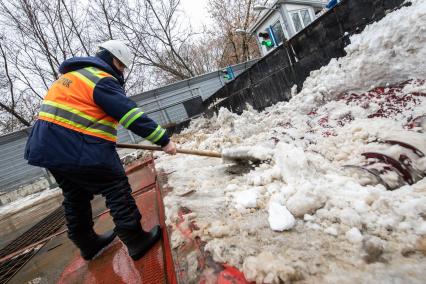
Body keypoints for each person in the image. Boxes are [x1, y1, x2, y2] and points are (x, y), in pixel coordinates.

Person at [24, 40, 177, 261]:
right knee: (115, 184)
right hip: (74, 144)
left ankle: (87, 243)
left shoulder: (71, 78)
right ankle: (135, 239)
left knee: (75, 194)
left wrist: (97, 137)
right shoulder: (100, 79)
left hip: (48, 148)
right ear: (113, 59)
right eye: (122, 66)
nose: (122, 71)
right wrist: (164, 140)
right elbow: (130, 115)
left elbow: (77, 116)